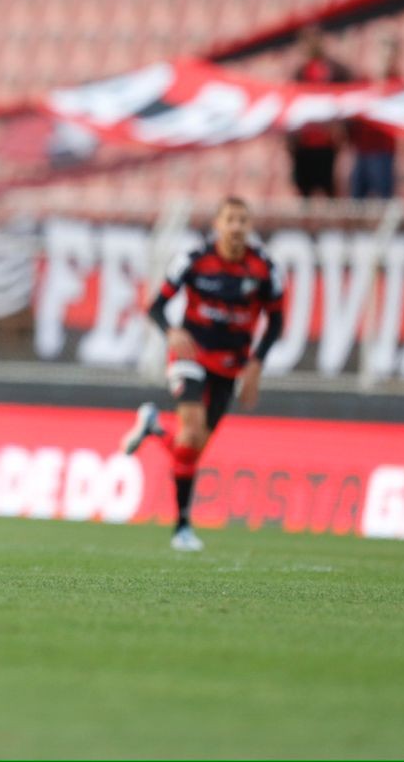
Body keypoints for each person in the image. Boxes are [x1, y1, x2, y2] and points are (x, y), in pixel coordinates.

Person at [119, 196, 285, 552]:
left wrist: (256, 363)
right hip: (191, 354)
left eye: (243, 220)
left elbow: (277, 321)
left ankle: (153, 428)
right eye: (230, 219)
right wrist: (170, 331)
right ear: (218, 226)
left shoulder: (265, 269)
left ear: (249, 226)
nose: (237, 226)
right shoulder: (194, 261)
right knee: (192, 431)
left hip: (230, 365)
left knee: (191, 448)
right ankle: (181, 528)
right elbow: (156, 305)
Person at [286, 26, 353, 198]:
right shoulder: (299, 73)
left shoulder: (335, 71)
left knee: (328, 188)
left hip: (326, 142)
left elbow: (348, 93)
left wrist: (341, 128)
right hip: (304, 144)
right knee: (305, 189)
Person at [347, 37, 401, 200]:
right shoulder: (363, 82)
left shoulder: (394, 82)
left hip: (382, 149)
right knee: (357, 198)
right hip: (362, 149)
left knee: (383, 196)